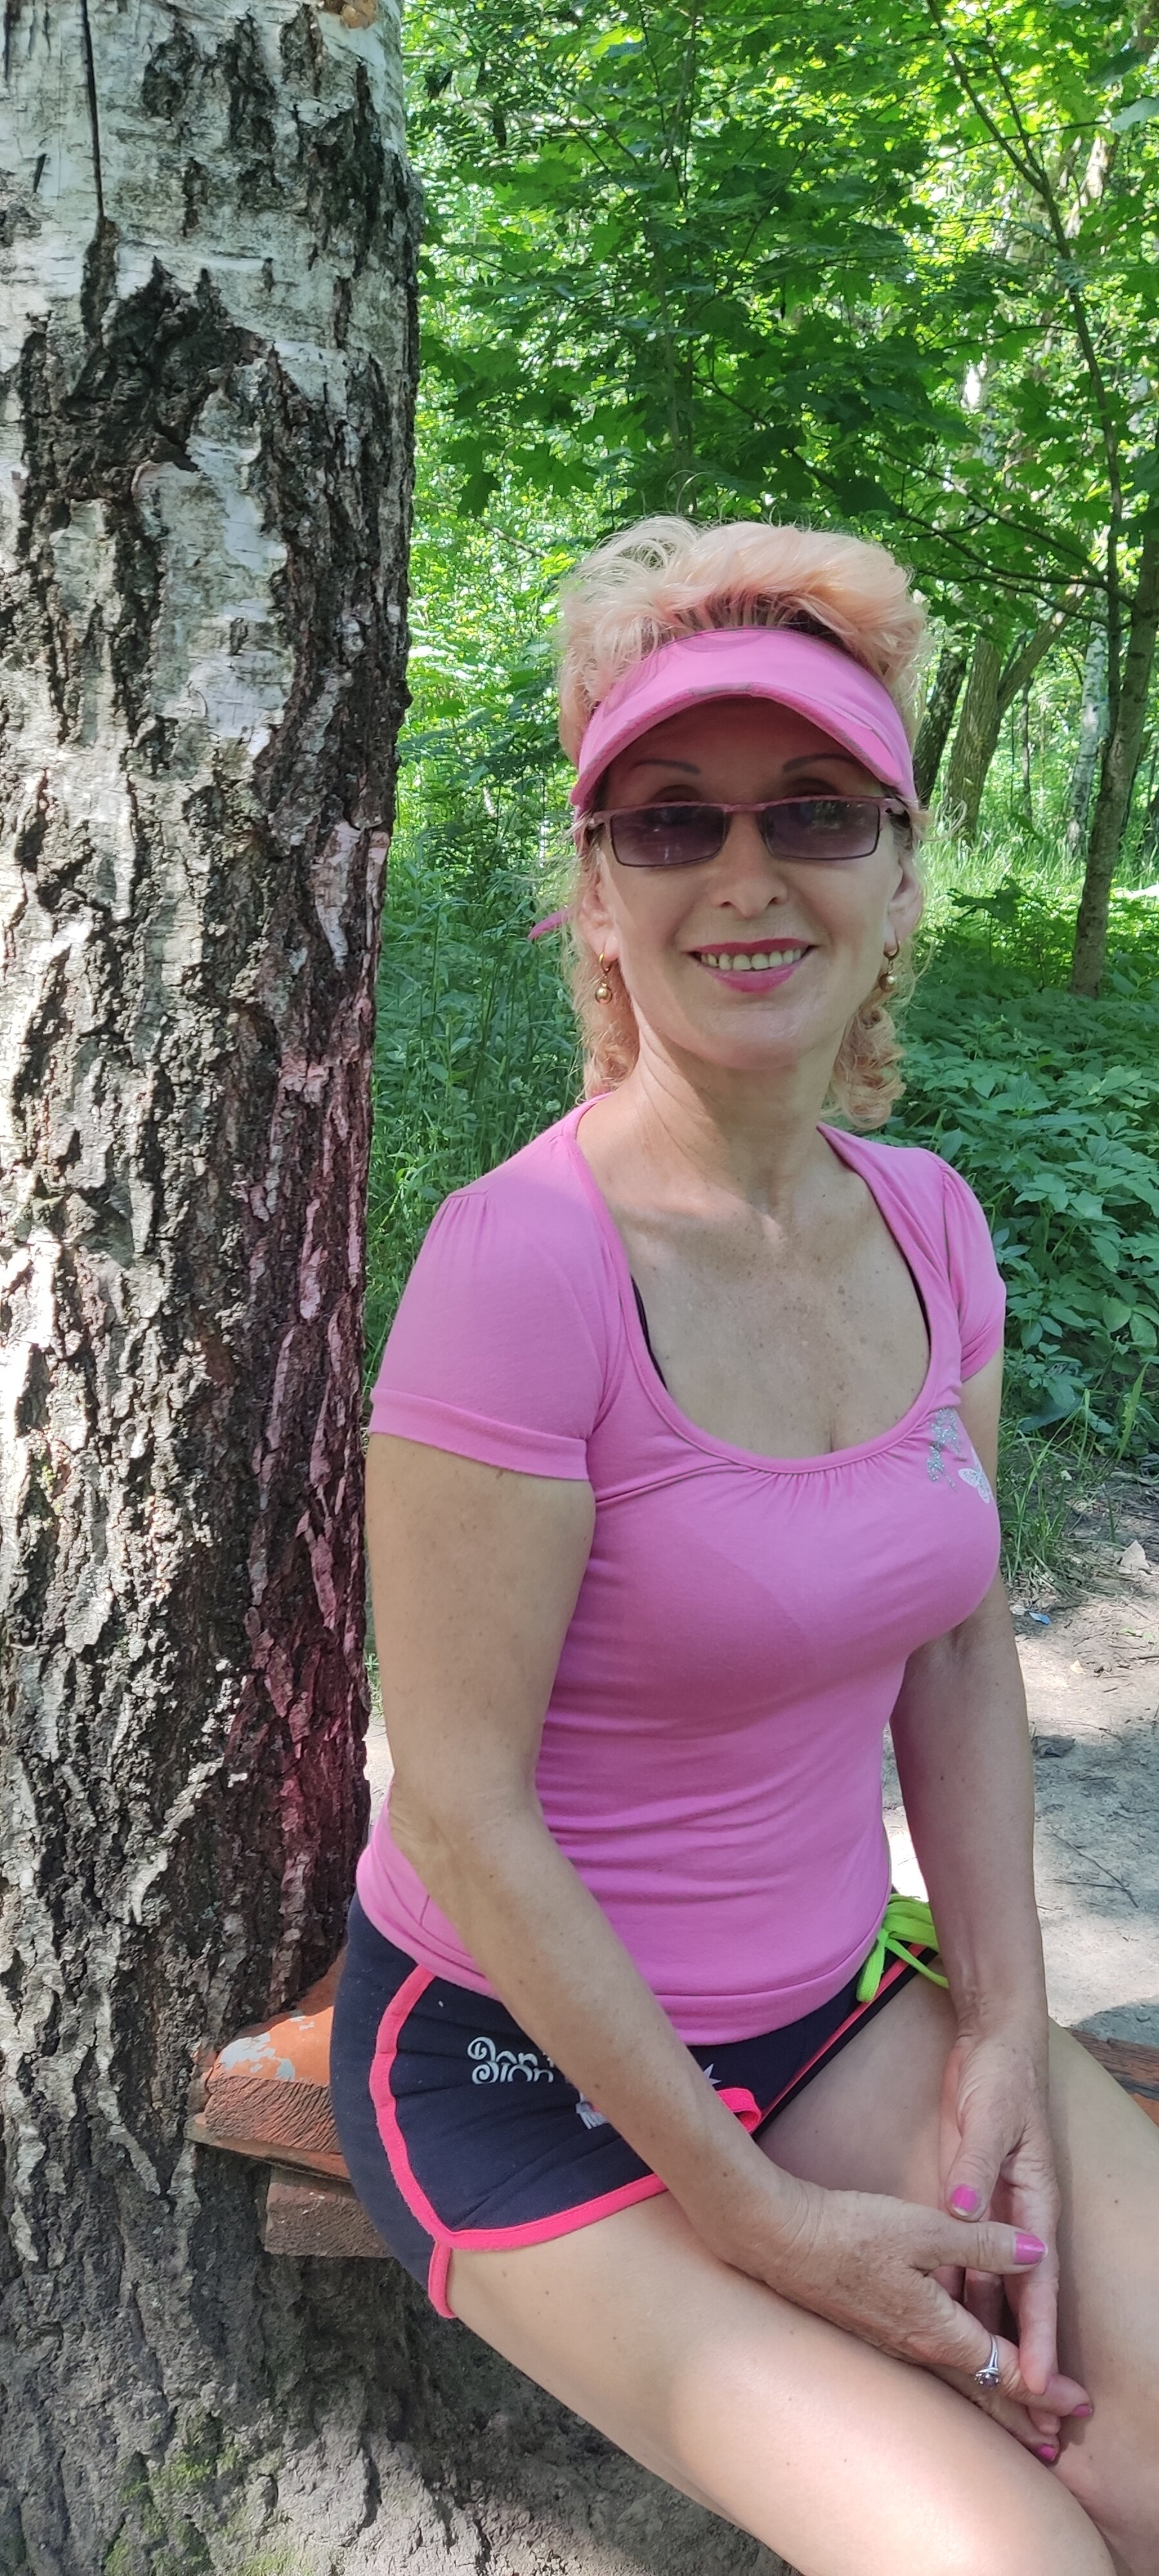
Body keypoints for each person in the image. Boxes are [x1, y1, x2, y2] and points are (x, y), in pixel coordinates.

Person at [332, 518, 1159, 2576]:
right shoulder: (526, 1264)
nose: (743, 873)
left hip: (828, 2006)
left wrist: (1000, 2022)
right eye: (670, 822)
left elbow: (957, 1647)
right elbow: (462, 1806)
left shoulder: (931, 1227)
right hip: (519, 2066)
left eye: (812, 812)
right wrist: (764, 2219)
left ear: (899, 874)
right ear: (598, 903)